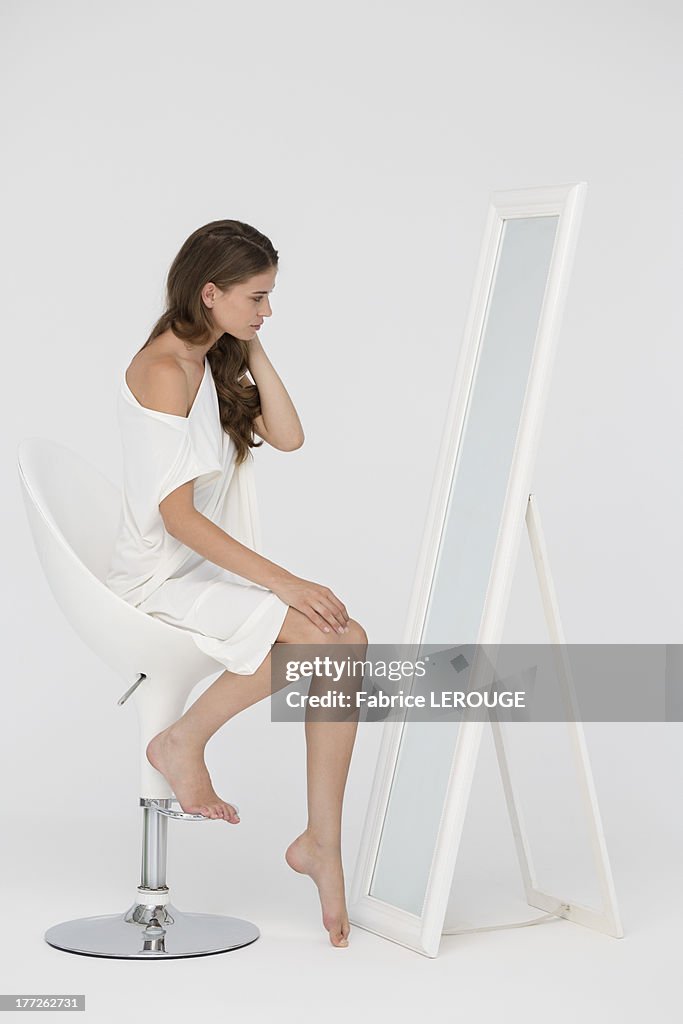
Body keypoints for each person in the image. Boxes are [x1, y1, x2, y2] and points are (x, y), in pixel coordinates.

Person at [105, 219, 368, 948]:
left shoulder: (215, 356)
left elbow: (288, 436)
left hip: (198, 568)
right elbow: (177, 518)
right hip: (155, 578)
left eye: (269, 297)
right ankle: (183, 741)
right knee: (334, 638)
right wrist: (284, 583)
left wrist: (248, 342)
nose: (267, 311)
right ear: (209, 292)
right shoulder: (164, 370)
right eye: (256, 298)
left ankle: (321, 844)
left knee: (345, 642)